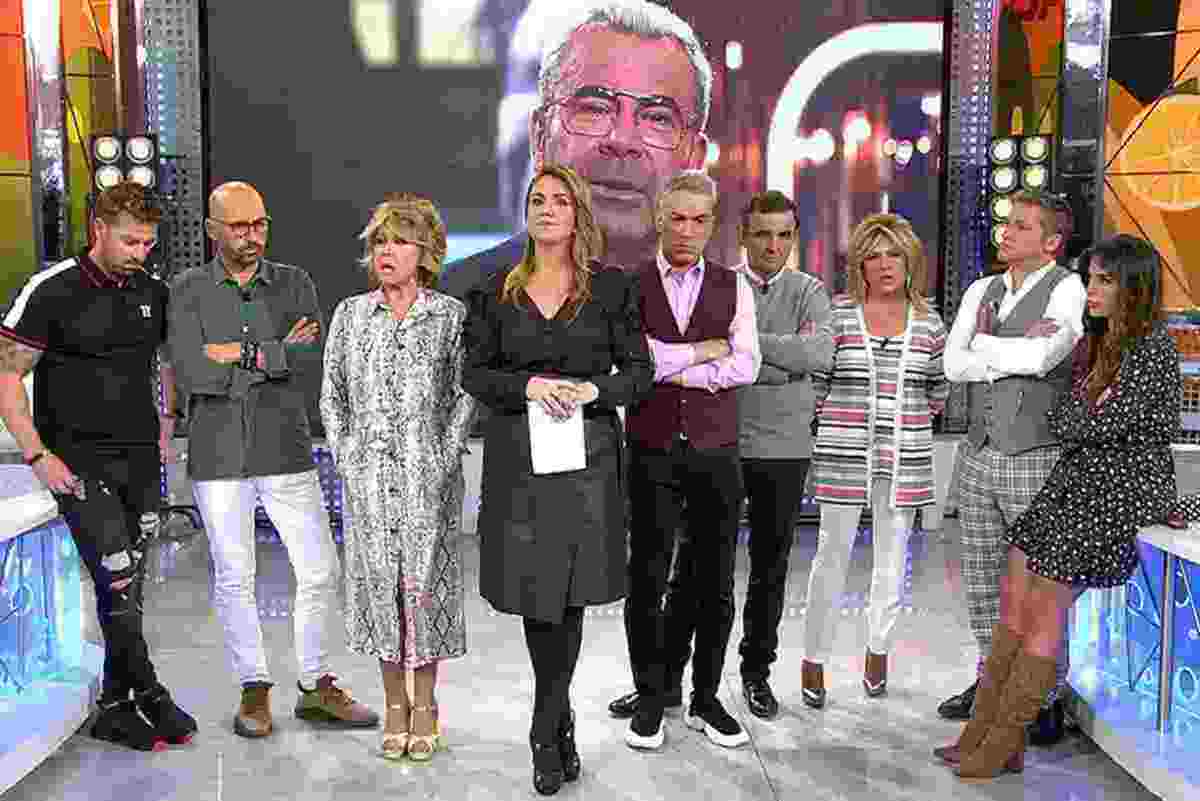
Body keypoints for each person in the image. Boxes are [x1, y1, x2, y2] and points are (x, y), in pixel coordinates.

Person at [942, 234, 1179, 779]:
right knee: (1012, 601)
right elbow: (1070, 418)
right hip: (1076, 478)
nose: (1092, 289)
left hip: (1115, 488)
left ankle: (1005, 740)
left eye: (1105, 281)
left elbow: (1102, 424)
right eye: (1091, 278)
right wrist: (1084, 416)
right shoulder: (1099, 344)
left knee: (1044, 611)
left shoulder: (1153, 349)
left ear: (1135, 287)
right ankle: (983, 731)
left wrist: (1084, 417)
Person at [462, 164, 653, 795]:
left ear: (578, 214)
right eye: (537, 199)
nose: (547, 209)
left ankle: (547, 724)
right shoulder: (493, 292)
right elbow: (475, 374)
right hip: (520, 465)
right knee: (537, 590)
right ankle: (555, 720)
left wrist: (593, 390)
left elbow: (639, 374)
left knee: (569, 592)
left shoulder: (611, 289)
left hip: (587, 462)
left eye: (560, 200)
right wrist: (530, 386)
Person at [169, 181, 378, 738]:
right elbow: (191, 372)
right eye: (239, 226)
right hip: (218, 455)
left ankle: (315, 683)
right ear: (212, 230)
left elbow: (310, 363)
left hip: (285, 447)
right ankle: (254, 687)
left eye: (259, 224)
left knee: (320, 568)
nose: (252, 236)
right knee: (235, 575)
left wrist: (233, 355)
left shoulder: (294, 283)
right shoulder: (187, 289)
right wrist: (271, 355)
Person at [0, 182, 196, 750]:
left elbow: (163, 363)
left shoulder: (152, 291)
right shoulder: (51, 290)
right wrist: (37, 455)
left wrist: (166, 423)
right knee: (115, 576)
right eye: (130, 241)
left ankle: (114, 705)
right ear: (99, 231)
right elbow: (7, 375)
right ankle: (150, 690)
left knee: (129, 593)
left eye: (148, 243)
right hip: (78, 462)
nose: (141, 252)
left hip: (140, 461)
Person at [320, 195, 475, 761]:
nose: (387, 251)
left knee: (424, 591)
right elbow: (332, 395)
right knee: (381, 592)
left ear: (426, 252)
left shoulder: (450, 317)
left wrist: (442, 457)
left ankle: (426, 706)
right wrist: (347, 457)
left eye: (401, 241)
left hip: (428, 483)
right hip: (369, 484)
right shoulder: (350, 315)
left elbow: (464, 394)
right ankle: (393, 705)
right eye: (380, 241)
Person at [439, 0, 712, 299]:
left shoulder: (735, 313)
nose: (622, 141)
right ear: (540, 137)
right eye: (595, 109)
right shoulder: (444, 307)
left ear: (694, 160)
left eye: (658, 118)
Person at [620, 170, 760, 752]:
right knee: (646, 578)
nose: (686, 230)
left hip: (715, 452)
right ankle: (651, 698)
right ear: (659, 219)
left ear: (712, 225)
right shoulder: (629, 286)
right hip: (650, 450)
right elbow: (633, 364)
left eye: (698, 220)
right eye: (677, 218)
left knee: (716, 581)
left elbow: (746, 364)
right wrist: (705, 352)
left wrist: (670, 365)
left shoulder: (734, 286)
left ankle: (706, 698)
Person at [940, 190, 1086, 745]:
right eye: (1008, 223)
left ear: (1052, 242)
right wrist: (1004, 350)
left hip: (1036, 456)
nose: (1007, 232)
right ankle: (991, 681)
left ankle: (1043, 698)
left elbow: (1041, 358)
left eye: (1023, 226)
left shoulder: (1067, 288)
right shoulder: (981, 289)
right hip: (978, 453)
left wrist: (981, 344)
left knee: (1041, 585)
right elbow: (953, 366)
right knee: (981, 580)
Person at [801, 213, 949, 706]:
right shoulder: (839, 316)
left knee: (891, 563)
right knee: (830, 558)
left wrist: (904, 423)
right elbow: (817, 384)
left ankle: (878, 652)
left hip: (904, 459)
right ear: (860, 266)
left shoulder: (930, 323)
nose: (885, 265)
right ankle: (813, 659)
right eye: (874, 255)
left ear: (910, 262)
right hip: (843, 456)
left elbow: (938, 390)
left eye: (895, 255)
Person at [731, 191, 833, 718]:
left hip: (786, 447)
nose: (773, 245)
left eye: (783, 235)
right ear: (743, 236)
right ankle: (676, 679)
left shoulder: (810, 290)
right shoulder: (722, 286)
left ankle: (756, 674)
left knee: (770, 570)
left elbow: (818, 354)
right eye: (762, 234)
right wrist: (785, 362)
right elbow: (715, 356)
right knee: (700, 567)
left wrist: (746, 344)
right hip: (724, 440)